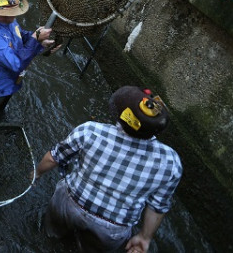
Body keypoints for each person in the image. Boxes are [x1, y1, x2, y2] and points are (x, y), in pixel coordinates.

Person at [35, 86, 182, 252]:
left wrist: (36, 173)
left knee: (51, 235)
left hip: (70, 202)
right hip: (111, 228)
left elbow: (53, 158)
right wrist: (144, 237)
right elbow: (158, 205)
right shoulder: (170, 162)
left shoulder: (90, 131)